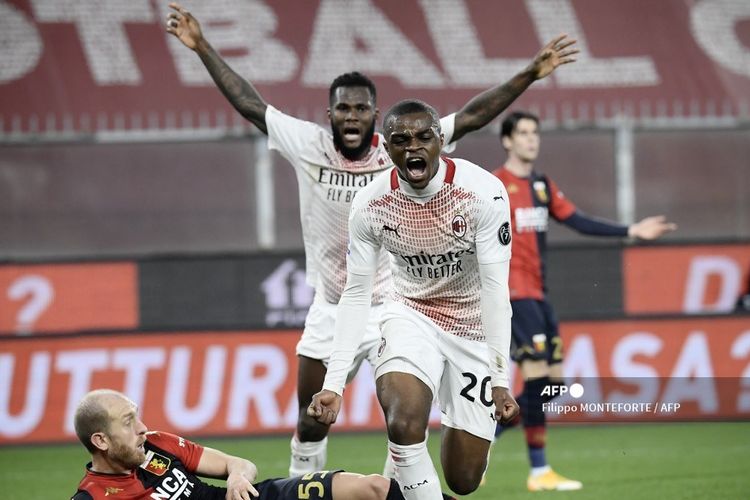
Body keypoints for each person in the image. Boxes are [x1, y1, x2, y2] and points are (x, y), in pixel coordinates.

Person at [165, 1, 578, 478]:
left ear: (376, 115)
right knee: (311, 418)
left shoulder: (405, 143)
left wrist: (529, 73)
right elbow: (250, 104)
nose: (352, 116)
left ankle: (392, 487)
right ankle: (305, 487)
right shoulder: (308, 145)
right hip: (335, 303)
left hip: (399, 306)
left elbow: (471, 117)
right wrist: (202, 48)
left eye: (361, 108)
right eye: (343, 108)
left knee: (405, 420)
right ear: (330, 114)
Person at [308, 99, 518, 500]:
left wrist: (500, 377)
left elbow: (495, 290)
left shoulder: (482, 194)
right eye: (401, 140)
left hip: (472, 328)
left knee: (463, 479)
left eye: (424, 137)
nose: (413, 148)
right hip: (410, 315)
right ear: (387, 149)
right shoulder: (371, 203)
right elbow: (355, 293)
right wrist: (334, 384)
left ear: (441, 141)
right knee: (403, 421)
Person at [490, 110, 677, 491]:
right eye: (523, 133)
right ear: (507, 140)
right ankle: (539, 472)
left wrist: (631, 230)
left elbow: (577, 220)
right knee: (538, 381)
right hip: (513, 296)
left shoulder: (542, 185)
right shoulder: (494, 186)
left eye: (534, 133)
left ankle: (488, 430)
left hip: (540, 296)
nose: (531, 139)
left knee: (554, 386)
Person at [70, 389, 457, 500]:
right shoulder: (92, 498)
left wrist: (238, 477)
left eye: (137, 415)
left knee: (370, 487)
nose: (142, 427)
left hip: (257, 498)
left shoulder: (156, 445)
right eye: (128, 422)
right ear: (100, 440)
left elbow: (236, 463)